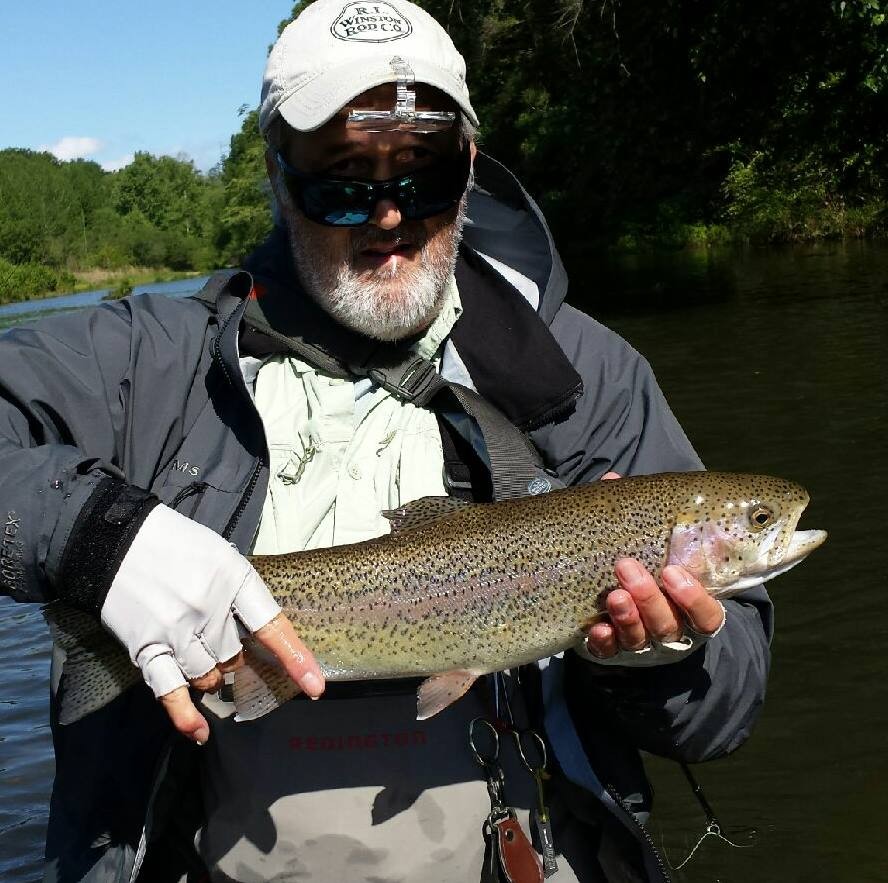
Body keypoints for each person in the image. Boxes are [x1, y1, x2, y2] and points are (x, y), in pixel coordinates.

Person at [0, 1, 772, 880]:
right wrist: (100, 538)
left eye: (422, 174)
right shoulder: (146, 363)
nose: (388, 217)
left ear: (471, 169)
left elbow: (723, 718)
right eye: (340, 180)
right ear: (278, 175)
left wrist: (658, 655)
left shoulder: (579, 375)